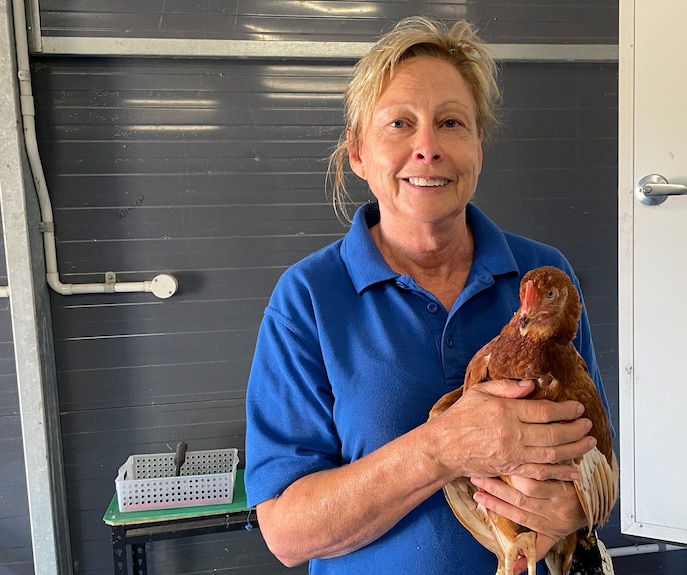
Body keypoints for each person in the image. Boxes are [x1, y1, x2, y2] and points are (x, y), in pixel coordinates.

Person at [244, 16, 614, 575]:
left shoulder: (543, 280)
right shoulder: (309, 299)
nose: (427, 148)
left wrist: (576, 508)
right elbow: (287, 533)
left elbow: (598, 457)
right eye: (399, 123)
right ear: (359, 154)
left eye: (451, 123)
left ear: (478, 148)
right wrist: (442, 448)